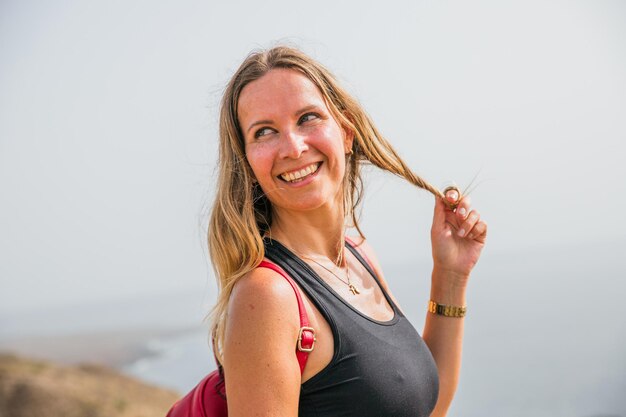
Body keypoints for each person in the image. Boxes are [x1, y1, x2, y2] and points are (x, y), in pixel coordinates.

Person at [207, 46, 487, 417]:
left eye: (307, 118)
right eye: (265, 131)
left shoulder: (359, 254)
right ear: (247, 162)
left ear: (346, 133)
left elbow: (425, 409)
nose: (293, 147)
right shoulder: (268, 297)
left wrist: (451, 276)